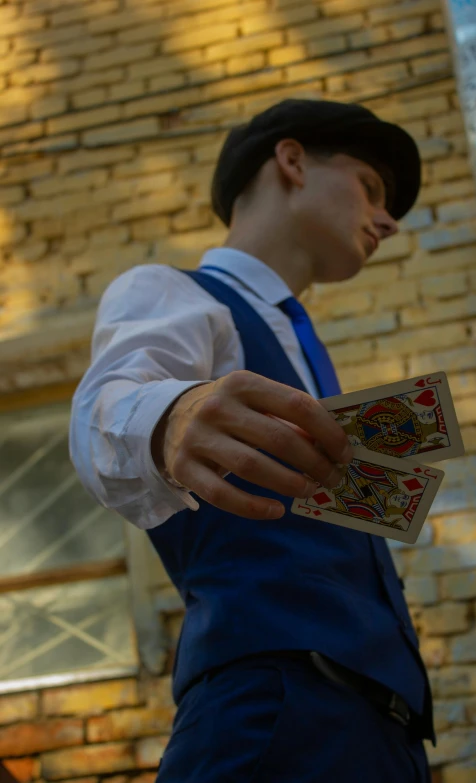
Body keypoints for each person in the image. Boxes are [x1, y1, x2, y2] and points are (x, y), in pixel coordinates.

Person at [70, 98, 434, 782]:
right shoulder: (173, 294)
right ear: (292, 161)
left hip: (388, 738)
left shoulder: (302, 351)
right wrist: (170, 415)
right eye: (372, 187)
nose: (388, 220)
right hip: (271, 721)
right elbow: (106, 406)